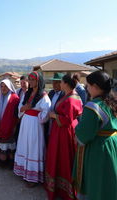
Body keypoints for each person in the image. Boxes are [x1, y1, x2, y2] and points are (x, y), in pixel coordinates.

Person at [73, 71, 117, 200]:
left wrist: (77, 127)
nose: (86, 88)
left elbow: (84, 134)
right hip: (113, 144)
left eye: (88, 85)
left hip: (98, 148)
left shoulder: (93, 106)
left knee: (97, 181)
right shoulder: (112, 102)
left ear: (96, 86)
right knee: (110, 179)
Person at [45, 74, 83, 200]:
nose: (59, 84)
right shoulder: (68, 95)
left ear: (66, 83)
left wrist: (54, 116)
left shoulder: (71, 98)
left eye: (61, 82)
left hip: (64, 132)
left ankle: (65, 190)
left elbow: (67, 119)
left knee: (64, 158)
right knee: (59, 158)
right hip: (61, 131)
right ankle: (58, 187)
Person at [14, 72, 51, 187]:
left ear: (38, 81)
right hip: (25, 123)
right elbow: (21, 106)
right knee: (25, 145)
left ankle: (32, 177)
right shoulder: (27, 93)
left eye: (33, 80)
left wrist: (37, 117)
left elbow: (47, 111)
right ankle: (24, 170)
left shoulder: (43, 95)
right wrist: (24, 108)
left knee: (34, 147)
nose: (30, 82)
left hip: (35, 124)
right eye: (29, 79)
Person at [0, 79, 19, 166]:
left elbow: (16, 113)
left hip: (10, 125)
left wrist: (13, 125)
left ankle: (9, 162)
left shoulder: (15, 98)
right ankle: (1, 160)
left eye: (5, 86)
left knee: (9, 144)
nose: (3, 88)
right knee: (1, 144)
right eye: (2, 86)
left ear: (9, 87)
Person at [44, 72, 65, 145]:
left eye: (56, 82)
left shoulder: (64, 95)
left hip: (58, 124)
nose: (53, 84)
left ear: (61, 83)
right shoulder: (51, 93)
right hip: (49, 123)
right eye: (53, 82)